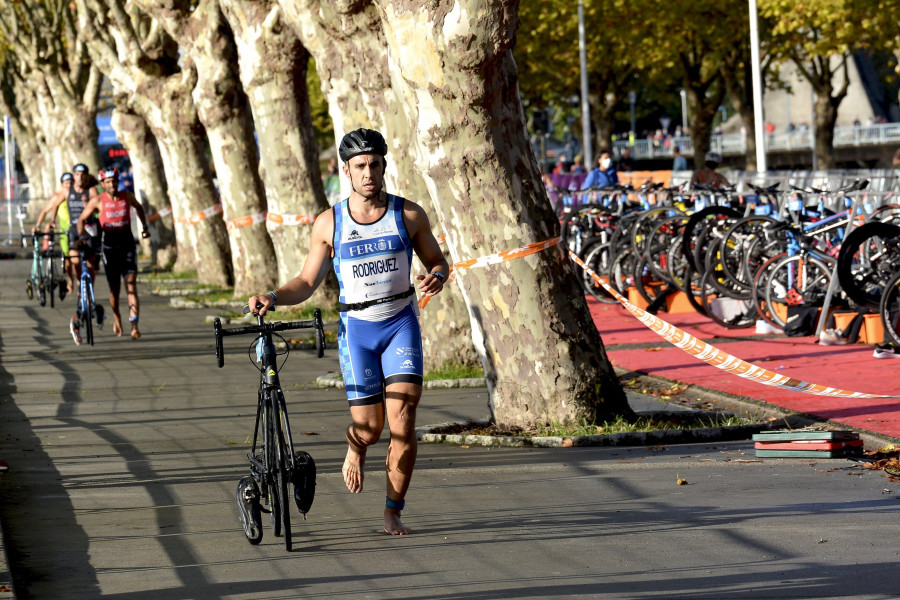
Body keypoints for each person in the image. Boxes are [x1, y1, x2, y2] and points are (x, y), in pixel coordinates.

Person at [248, 128, 449, 536]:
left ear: (384, 166)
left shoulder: (408, 215)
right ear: (346, 171)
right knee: (371, 429)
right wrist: (272, 295)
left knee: (404, 422)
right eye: (360, 166)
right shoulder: (330, 222)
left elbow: (437, 261)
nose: (369, 173)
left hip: (400, 324)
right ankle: (355, 448)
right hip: (356, 329)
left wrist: (437, 277)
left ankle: (393, 510)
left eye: (375, 164)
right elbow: (307, 281)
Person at [77, 167, 151, 340]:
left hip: (128, 245)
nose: (112, 185)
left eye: (115, 181)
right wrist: (81, 238)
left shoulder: (127, 196)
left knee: (131, 284)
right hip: (109, 249)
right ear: (103, 184)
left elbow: (139, 208)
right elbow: (81, 219)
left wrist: (145, 228)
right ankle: (117, 317)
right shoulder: (97, 201)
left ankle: (134, 325)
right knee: (115, 290)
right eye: (108, 182)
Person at [37, 163, 103, 344]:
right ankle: (79, 286)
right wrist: (51, 221)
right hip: (74, 230)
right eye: (76, 174)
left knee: (90, 266)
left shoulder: (91, 192)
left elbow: (98, 208)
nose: (79, 177)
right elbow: (55, 204)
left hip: (89, 230)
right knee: (74, 262)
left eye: (82, 174)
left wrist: (92, 209)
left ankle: (88, 292)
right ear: (73, 176)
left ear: (86, 176)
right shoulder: (67, 192)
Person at [33, 172, 75, 296]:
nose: (69, 185)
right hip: (64, 231)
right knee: (67, 258)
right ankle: (71, 281)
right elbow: (45, 211)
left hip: (77, 230)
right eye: (66, 183)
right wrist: (38, 224)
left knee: (77, 258)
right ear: (62, 184)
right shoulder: (58, 197)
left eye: (71, 183)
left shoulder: (78, 195)